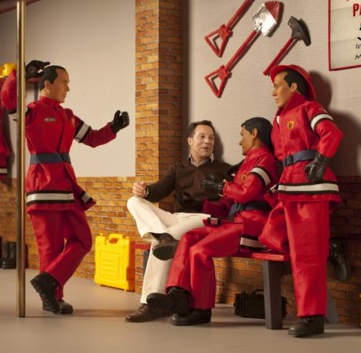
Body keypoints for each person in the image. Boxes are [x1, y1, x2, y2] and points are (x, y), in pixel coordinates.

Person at [1, 60, 130, 315]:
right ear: (47, 84)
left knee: (82, 240)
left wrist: (113, 127)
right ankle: (53, 298)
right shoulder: (31, 112)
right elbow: (8, 100)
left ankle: (48, 281)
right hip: (42, 186)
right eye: (64, 82)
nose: (68, 88)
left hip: (67, 187)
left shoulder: (68, 116)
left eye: (69, 83)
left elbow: (92, 138)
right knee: (50, 247)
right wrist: (20, 75)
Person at [145, 117, 278, 325]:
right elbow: (226, 205)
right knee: (189, 237)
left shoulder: (265, 160)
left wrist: (221, 187)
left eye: (242, 135)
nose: (239, 141)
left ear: (254, 135)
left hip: (254, 227)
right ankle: (178, 294)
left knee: (200, 250)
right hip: (237, 223)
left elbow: (246, 193)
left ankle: (201, 309)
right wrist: (202, 204)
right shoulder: (245, 164)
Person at [258, 64, 343, 337]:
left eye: (277, 86)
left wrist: (321, 159)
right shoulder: (279, 119)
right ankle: (329, 246)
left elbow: (331, 133)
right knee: (272, 236)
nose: (273, 92)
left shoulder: (310, 108)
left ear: (293, 87)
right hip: (289, 187)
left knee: (306, 255)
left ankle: (312, 316)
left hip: (310, 186)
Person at [124, 120, 231, 322]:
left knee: (165, 239)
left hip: (204, 219)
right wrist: (144, 191)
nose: (207, 141)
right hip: (177, 218)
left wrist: (207, 202)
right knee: (134, 201)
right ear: (190, 141)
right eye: (202, 136)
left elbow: (229, 202)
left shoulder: (223, 169)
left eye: (211, 138)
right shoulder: (178, 168)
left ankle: (149, 304)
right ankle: (162, 236)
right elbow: (160, 189)